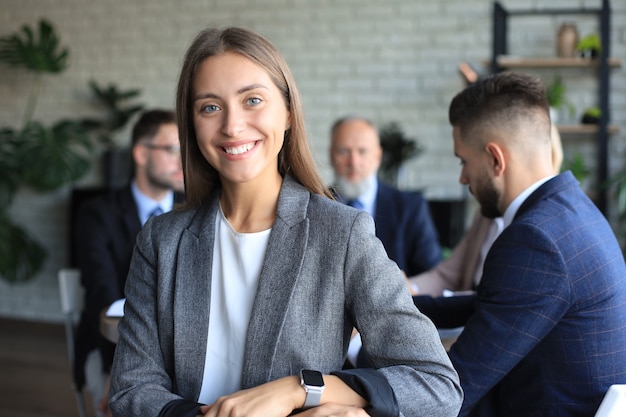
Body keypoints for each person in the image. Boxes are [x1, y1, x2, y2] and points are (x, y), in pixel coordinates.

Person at [108, 26, 462, 417]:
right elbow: (130, 389)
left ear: (289, 111)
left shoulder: (341, 234)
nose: (231, 125)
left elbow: (436, 386)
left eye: (252, 100)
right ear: (191, 124)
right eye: (210, 107)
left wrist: (303, 390)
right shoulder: (162, 239)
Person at [446, 71, 626, 416]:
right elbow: (496, 303)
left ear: (495, 159)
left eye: (463, 161)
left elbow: (454, 388)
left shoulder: (535, 239)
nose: (463, 178)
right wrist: (393, 308)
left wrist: (362, 371)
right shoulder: (576, 210)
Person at [73, 109, 185, 416]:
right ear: (140, 153)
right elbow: (104, 295)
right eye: (173, 150)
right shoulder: (97, 215)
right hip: (107, 346)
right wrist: (120, 368)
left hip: (181, 350)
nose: (182, 160)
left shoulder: (193, 214)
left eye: (186, 150)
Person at [329, 116, 442, 276]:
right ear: (331, 155)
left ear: (377, 156)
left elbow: (432, 274)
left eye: (363, 151)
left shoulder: (410, 207)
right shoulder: (314, 202)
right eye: (344, 151)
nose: (354, 162)